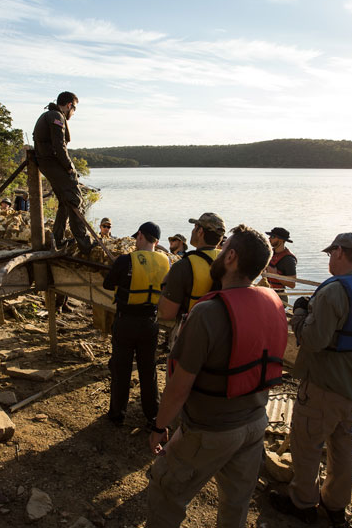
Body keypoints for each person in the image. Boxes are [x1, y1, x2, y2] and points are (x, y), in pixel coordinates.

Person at [147, 224, 288, 527]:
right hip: (255, 424)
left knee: (165, 491)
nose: (219, 253)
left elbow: (179, 386)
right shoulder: (273, 303)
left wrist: (159, 426)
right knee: (236, 505)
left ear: (231, 257)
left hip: (210, 430)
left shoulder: (207, 313)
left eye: (224, 249)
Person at [270, 233, 352, 528]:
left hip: (325, 381)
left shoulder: (333, 291)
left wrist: (299, 314)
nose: (329, 259)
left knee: (307, 442)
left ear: (339, 252)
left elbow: (313, 340)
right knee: (342, 443)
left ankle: (302, 503)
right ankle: (335, 504)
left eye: (330, 254)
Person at [102, 221, 169, 427]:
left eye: (136, 238)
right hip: (150, 322)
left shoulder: (125, 260)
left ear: (140, 235)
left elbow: (107, 283)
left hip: (126, 321)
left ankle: (117, 414)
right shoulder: (166, 261)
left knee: (121, 370)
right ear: (156, 241)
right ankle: (152, 415)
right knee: (148, 371)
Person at [32, 91, 93, 255]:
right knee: (75, 200)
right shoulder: (56, 116)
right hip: (54, 164)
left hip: (48, 164)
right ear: (69, 105)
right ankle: (85, 245)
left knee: (65, 203)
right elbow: (59, 146)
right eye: (74, 109)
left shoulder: (49, 115)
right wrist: (70, 167)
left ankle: (57, 239)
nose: (73, 113)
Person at [156, 213, 225, 335]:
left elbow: (166, 313)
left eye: (195, 227)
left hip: (191, 333)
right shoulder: (227, 262)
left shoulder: (184, 265)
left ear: (200, 232)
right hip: (219, 332)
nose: (192, 231)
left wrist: (165, 284)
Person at [265, 227, 297, 305]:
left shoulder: (288, 259)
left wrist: (275, 274)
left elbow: (292, 284)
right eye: (270, 236)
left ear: (281, 240)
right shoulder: (270, 253)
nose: (269, 238)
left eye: (272, 237)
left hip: (280, 297)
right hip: (268, 292)